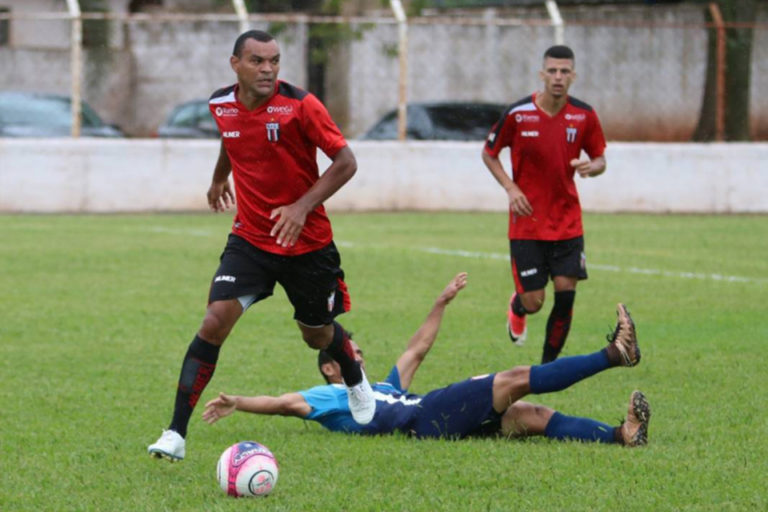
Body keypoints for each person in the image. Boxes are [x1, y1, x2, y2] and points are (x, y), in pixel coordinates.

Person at [148, 30, 374, 461]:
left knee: (317, 335)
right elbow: (231, 136)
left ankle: (353, 377)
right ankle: (175, 433)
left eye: (274, 60)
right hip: (250, 239)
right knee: (214, 321)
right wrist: (219, 177)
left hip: (307, 244)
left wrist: (301, 206)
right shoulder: (220, 104)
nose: (268, 69)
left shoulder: (301, 105)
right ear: (235, 64)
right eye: (257, 61)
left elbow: (346, 162)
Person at [203, 273, 651, 446]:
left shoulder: (380, 390)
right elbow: (283, 403)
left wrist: (440, 303)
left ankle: (622, 435)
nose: (358, 355)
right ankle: (614, 353)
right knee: (515, 378)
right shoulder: (329, 397)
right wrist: (238, 401)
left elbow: (417, 348)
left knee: (529, 415)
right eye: (349, 353)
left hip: (432, 418)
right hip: (430, 416)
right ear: (330, 366)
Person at [481, 45, 607, 363]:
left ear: (573, 76)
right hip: (527, 223)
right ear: (542, 75)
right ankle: (518, 306)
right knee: (535, 302)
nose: (558, 77)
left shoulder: (584, 115)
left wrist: (593, 167)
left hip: (567, 222)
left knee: (565, 297)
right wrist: (511, 189)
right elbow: (489, 153)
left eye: (564, 71)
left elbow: (600, 158)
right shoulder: (518, 114)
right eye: (552, 71)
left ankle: (546, 370)